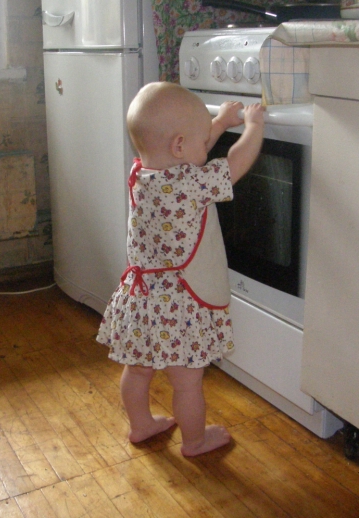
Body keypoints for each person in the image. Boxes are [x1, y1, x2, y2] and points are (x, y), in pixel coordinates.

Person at [96, 81, 265, 456]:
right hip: (179, 309)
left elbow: (189, 151)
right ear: (179, 146)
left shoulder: (142, 173)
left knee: (137, 370)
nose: (206, 143)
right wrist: (252, 127)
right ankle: (195, 441)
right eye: (203, 138)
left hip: (140, 300)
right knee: (187, 383)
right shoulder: (191, 184)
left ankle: (141, 425)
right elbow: (234, 164)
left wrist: (217, 123)